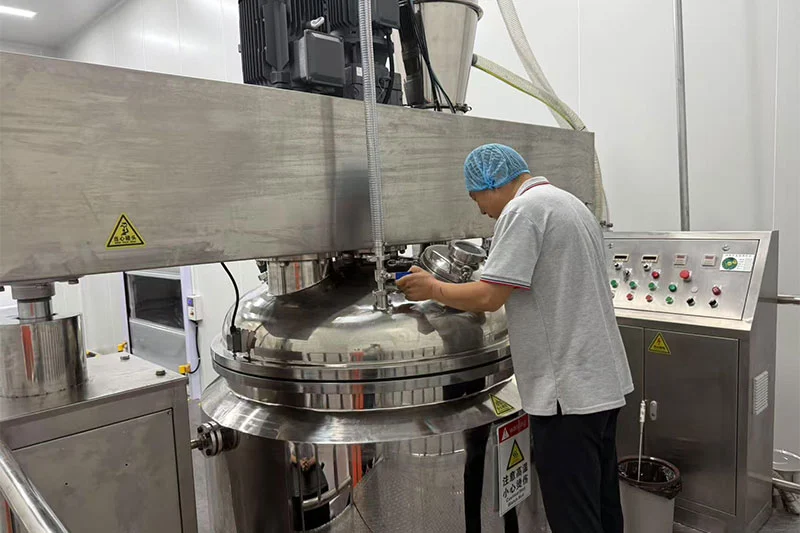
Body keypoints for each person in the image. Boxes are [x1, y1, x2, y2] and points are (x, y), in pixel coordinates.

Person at [397, 143, 633, 533]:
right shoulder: (570, 204)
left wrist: (433, 288)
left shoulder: (522, 211)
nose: (480, 210)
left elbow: (489, 296)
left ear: (492, 182)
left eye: (476, 197)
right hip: (603, 386)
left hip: (567, 397)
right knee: (603, 505)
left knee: (573, 517)